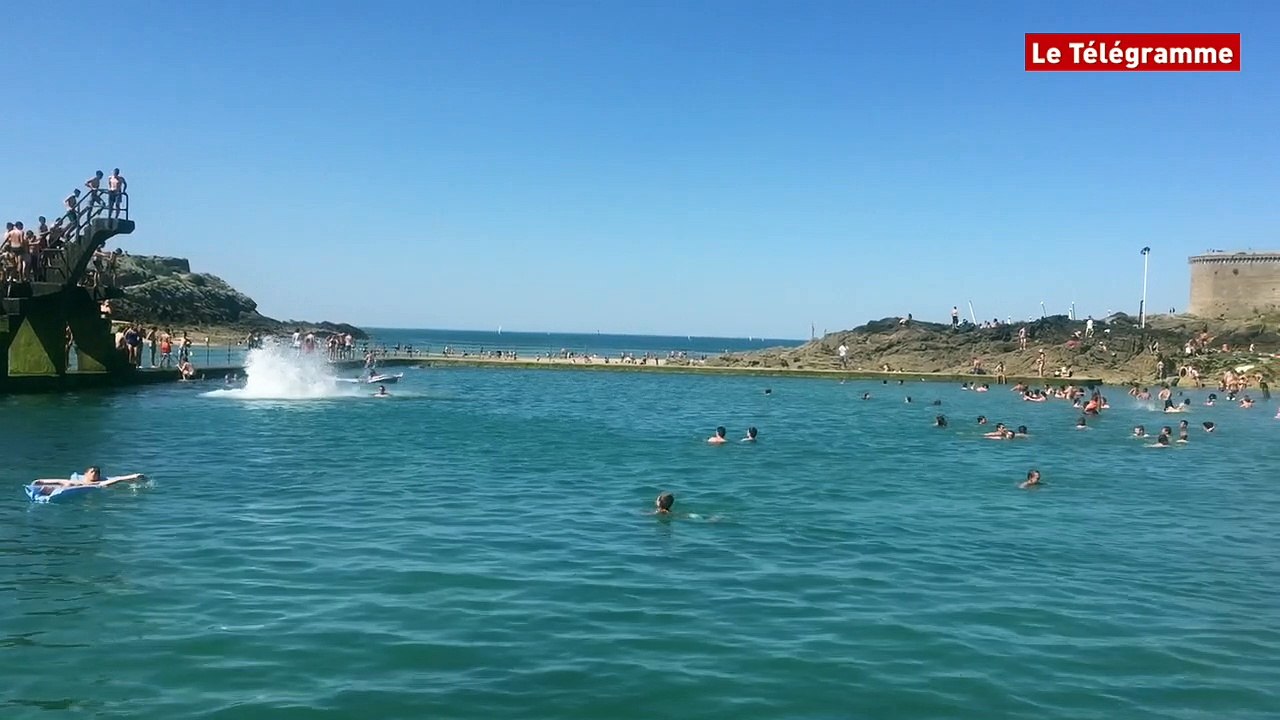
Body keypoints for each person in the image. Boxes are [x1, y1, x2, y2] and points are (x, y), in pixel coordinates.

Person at [32, 466, 146, 489]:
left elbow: (118, 479)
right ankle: (42, 483)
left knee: (110, 483)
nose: (95, 473)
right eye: (92, 472)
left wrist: (133, 477)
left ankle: (135, 476)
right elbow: (60, 481)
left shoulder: (102, 481)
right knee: (67, 483)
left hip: (93, 486)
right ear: (86, 473)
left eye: (97, 472)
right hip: (77, 485)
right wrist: (40, 481)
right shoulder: (77, 479)